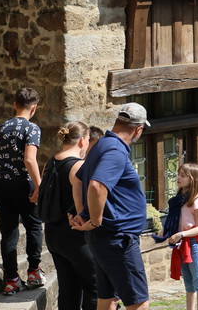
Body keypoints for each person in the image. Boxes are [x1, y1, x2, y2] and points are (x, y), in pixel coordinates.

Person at [72, 103, 152, 310]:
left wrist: (83, 213)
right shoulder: (116, 150)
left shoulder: (101, 144)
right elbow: (96, 185)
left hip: (105, 238)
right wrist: (95, 220)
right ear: (138, 129)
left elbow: (78, 180)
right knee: (139, 303)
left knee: (108, 299)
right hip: (117, 238)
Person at [0, 86, 44, 295]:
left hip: (0, 183)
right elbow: (29, 159)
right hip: (22, 182)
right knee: (33, 226)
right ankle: (33, 271)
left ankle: (11, 279)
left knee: (8, 232)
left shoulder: (2, 126)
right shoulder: (32, 128)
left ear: (15, 105)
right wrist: (39, 185)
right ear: (34, 108)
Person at [42, 121, 97, 310]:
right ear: (82, 141)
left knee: (68, 288)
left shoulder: (51, 161)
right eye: (88, 140)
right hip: (75, 236)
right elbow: (82, 206)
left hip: (53, 234)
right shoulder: (78, 166)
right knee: (95, 288)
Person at [161, 163, 198, 310]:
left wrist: (181, 234)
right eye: (178, 174)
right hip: (181, 244)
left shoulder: (196, 201)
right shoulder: (179, 199)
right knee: (188, 284)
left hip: (192, 244)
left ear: (193, 179)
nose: (178, 178)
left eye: (182, 175)